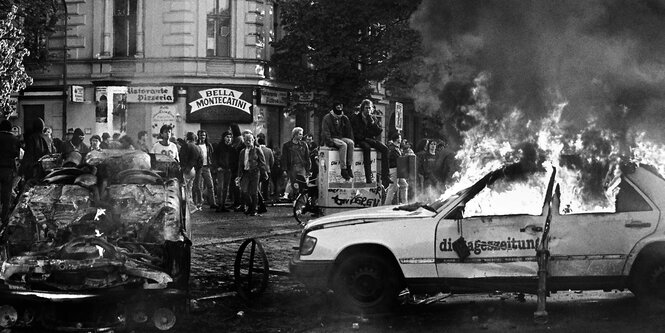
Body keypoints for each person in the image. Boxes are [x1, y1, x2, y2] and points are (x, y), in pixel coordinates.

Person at [349, 99, 390, 184]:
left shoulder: (372, 118)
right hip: (361, 140)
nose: (368, 110)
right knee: (366, 148)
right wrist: (362, 138)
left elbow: (379, 131)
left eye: (369, 108)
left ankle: (385, 176)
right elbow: (354, 132)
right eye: (366, 108)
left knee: (385, 149)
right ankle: (368, 177)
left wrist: (372, 123)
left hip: (370, 139)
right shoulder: (356, 118)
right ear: (362, 108)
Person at [321, 101, 354, 180]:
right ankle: (343, 169)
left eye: (340, 107)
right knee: (343, 145)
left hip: (340, 137)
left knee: (350, 143)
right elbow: (325, 131)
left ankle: (349, 166)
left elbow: (349, 131)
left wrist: (351, 138)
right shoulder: (327, 118)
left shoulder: (343, 117)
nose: (339, 109)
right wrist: (330, 142)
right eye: (337, 107)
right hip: (332, 138)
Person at [236, 133, 267, 216]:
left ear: (253, 141)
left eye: (250, 140)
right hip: (245, 173)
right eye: (246, 140)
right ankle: (249, 206)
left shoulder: (257, 150)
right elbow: (240, 164)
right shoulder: (242, 151)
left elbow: (262, 162)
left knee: (254, 192)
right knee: (244, 190)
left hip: (255, 172)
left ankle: (254, 209)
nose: (248, 142)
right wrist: (239, 175)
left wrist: (264, 173)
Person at [0, 120, 20, 223]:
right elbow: (16, 154)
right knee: (7, 195)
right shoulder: (14, 139)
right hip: (8, 169)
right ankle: (4, 219)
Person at [281, 127, 310, 195]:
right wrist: (284, 169)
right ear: (295, 135)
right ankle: (295, 197)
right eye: (300, 134)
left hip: (302, 166)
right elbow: (284, 158)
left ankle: (302, 199)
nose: (302, 136)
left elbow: (307, 157)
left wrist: (308, 169)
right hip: (292, 167)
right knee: (294, 184)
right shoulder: (287, 146)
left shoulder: (304, 145)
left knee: (303, 184)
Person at [194, 129, 217, 210]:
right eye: (200, 135)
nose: (202, 137)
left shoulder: (208, 145)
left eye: (204, 135)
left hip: (206, 167)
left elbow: (212, 155)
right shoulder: (195, 145)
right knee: (198, 186)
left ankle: (213, 203)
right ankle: (199, 204)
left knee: (210, 185)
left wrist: (213, 165)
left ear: (206, 136)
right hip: (198, 168)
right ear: (198, 136)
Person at [179, 132, 203, 211]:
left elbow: (182, 158)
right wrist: (195, 168)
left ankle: (186, 207)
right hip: (194, 170)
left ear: (187, 138)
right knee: (190, 189)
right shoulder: (198, 148)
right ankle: (191, 206)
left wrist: (184, 168)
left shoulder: (185, 146)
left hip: (186, 170)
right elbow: (201, 161)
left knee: (184, 189)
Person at [214, 131, 236, 212]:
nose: (229, 139)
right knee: (220, 187)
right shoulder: (219, 147)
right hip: (221, 170)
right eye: (227, 137)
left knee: (226, 188)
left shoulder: (232, 148)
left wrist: (231, 168)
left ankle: (223, 204)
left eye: (230, 137)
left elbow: (234, 160)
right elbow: (215, 158)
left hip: (228, 170)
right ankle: (219, 204)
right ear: (223, 138)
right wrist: (217, 167)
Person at [384, 132, 408, 205]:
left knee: (404, 185)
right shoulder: (392, 148)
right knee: (393, 187)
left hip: (398, 168)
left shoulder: (396, 148)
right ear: (397, 139)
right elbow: (392, 158)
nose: (401, 139)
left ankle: (404, 203)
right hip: (394, 168)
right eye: (400, 138)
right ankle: (387, 204)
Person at [257, 135, 274, 202]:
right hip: (267, 169)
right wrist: (270, 166)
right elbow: (272, 161)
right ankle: (266, 197)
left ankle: (259, 197)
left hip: (259, 169)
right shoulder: (269, 150)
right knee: (266, 185)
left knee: (257, 184)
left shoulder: (257, 150)